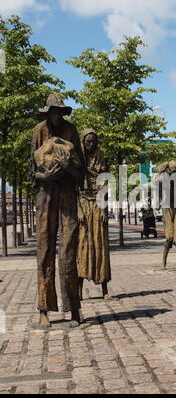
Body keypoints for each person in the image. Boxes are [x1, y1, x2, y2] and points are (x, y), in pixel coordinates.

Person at [30, 93, 85, 328]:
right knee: (44, 247)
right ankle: (44, 309)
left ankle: (73, 308)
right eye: (53, 112)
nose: (56, 116)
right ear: (48, 113)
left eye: (59, 112)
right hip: (46, 194)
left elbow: (81, 169)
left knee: (68, 249)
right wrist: (44, 175)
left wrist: (66, 167)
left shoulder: (72, 131)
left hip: (67, 194)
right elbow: (31, 169)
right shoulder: (38, 131)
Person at [77, 128, 112, 301]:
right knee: (83, 246)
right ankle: (79, 290)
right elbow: (74, 187)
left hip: (98, 203)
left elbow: (105, 185)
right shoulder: (78, 159)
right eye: (88, 141)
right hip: (83, 202)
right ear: (83, 141)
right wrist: (78, 209)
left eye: (93, 141)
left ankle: (104, 288)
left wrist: (104, 208)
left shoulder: (101, 158)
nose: (91, 144)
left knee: (101, 245)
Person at [156, 161, 176, 271]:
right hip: (167, 208)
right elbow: (158, 191)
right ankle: (163, 262)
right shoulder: (162, 178)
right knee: (169, 237)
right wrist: (158, 203)